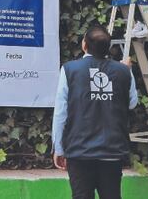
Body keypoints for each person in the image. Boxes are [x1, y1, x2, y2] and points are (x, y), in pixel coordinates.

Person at [52, 25, 138, 199]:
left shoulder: (69, 70)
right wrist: (127, 71)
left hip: (79, 152)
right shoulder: (123, 71)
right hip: (112, 152)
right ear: (108, 47)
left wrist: (59, 149)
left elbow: (61, 113)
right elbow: (132, 103)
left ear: (84, 45)